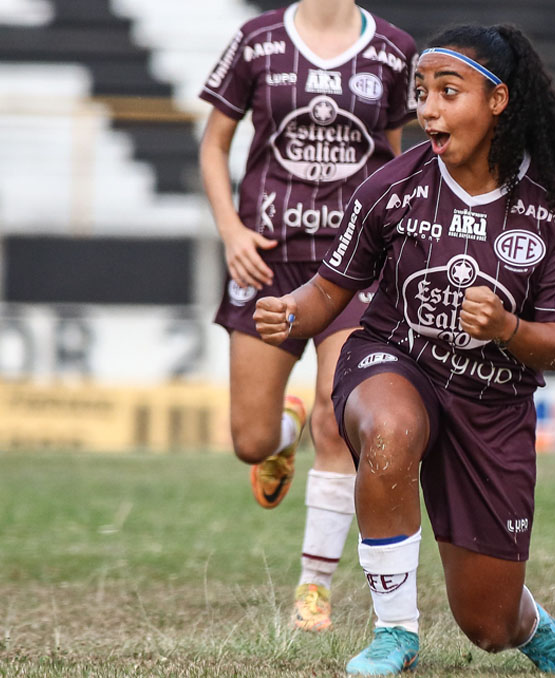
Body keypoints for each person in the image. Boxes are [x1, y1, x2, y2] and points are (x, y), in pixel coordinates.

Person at [254, 23, 555, 676]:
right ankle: (395, 634)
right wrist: (291, 311)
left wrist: (508, 329)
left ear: (498, 101)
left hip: (494, 406)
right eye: (421, 92)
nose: (428, 109)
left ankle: (533, 625)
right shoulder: (393, 186)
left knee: (489, 626)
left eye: (448, 91)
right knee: (388, 430)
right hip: (394, 360)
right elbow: (331, 292)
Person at [197, 0, 419, 633]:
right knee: (250, 441)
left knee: (336, 415)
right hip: (267, 263)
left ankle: (312, 589)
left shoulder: (394, 47)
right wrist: (231, 230)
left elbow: (397, 161)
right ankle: (282, 437)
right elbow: (214, 145)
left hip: (355, 268)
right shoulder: (258, 39)